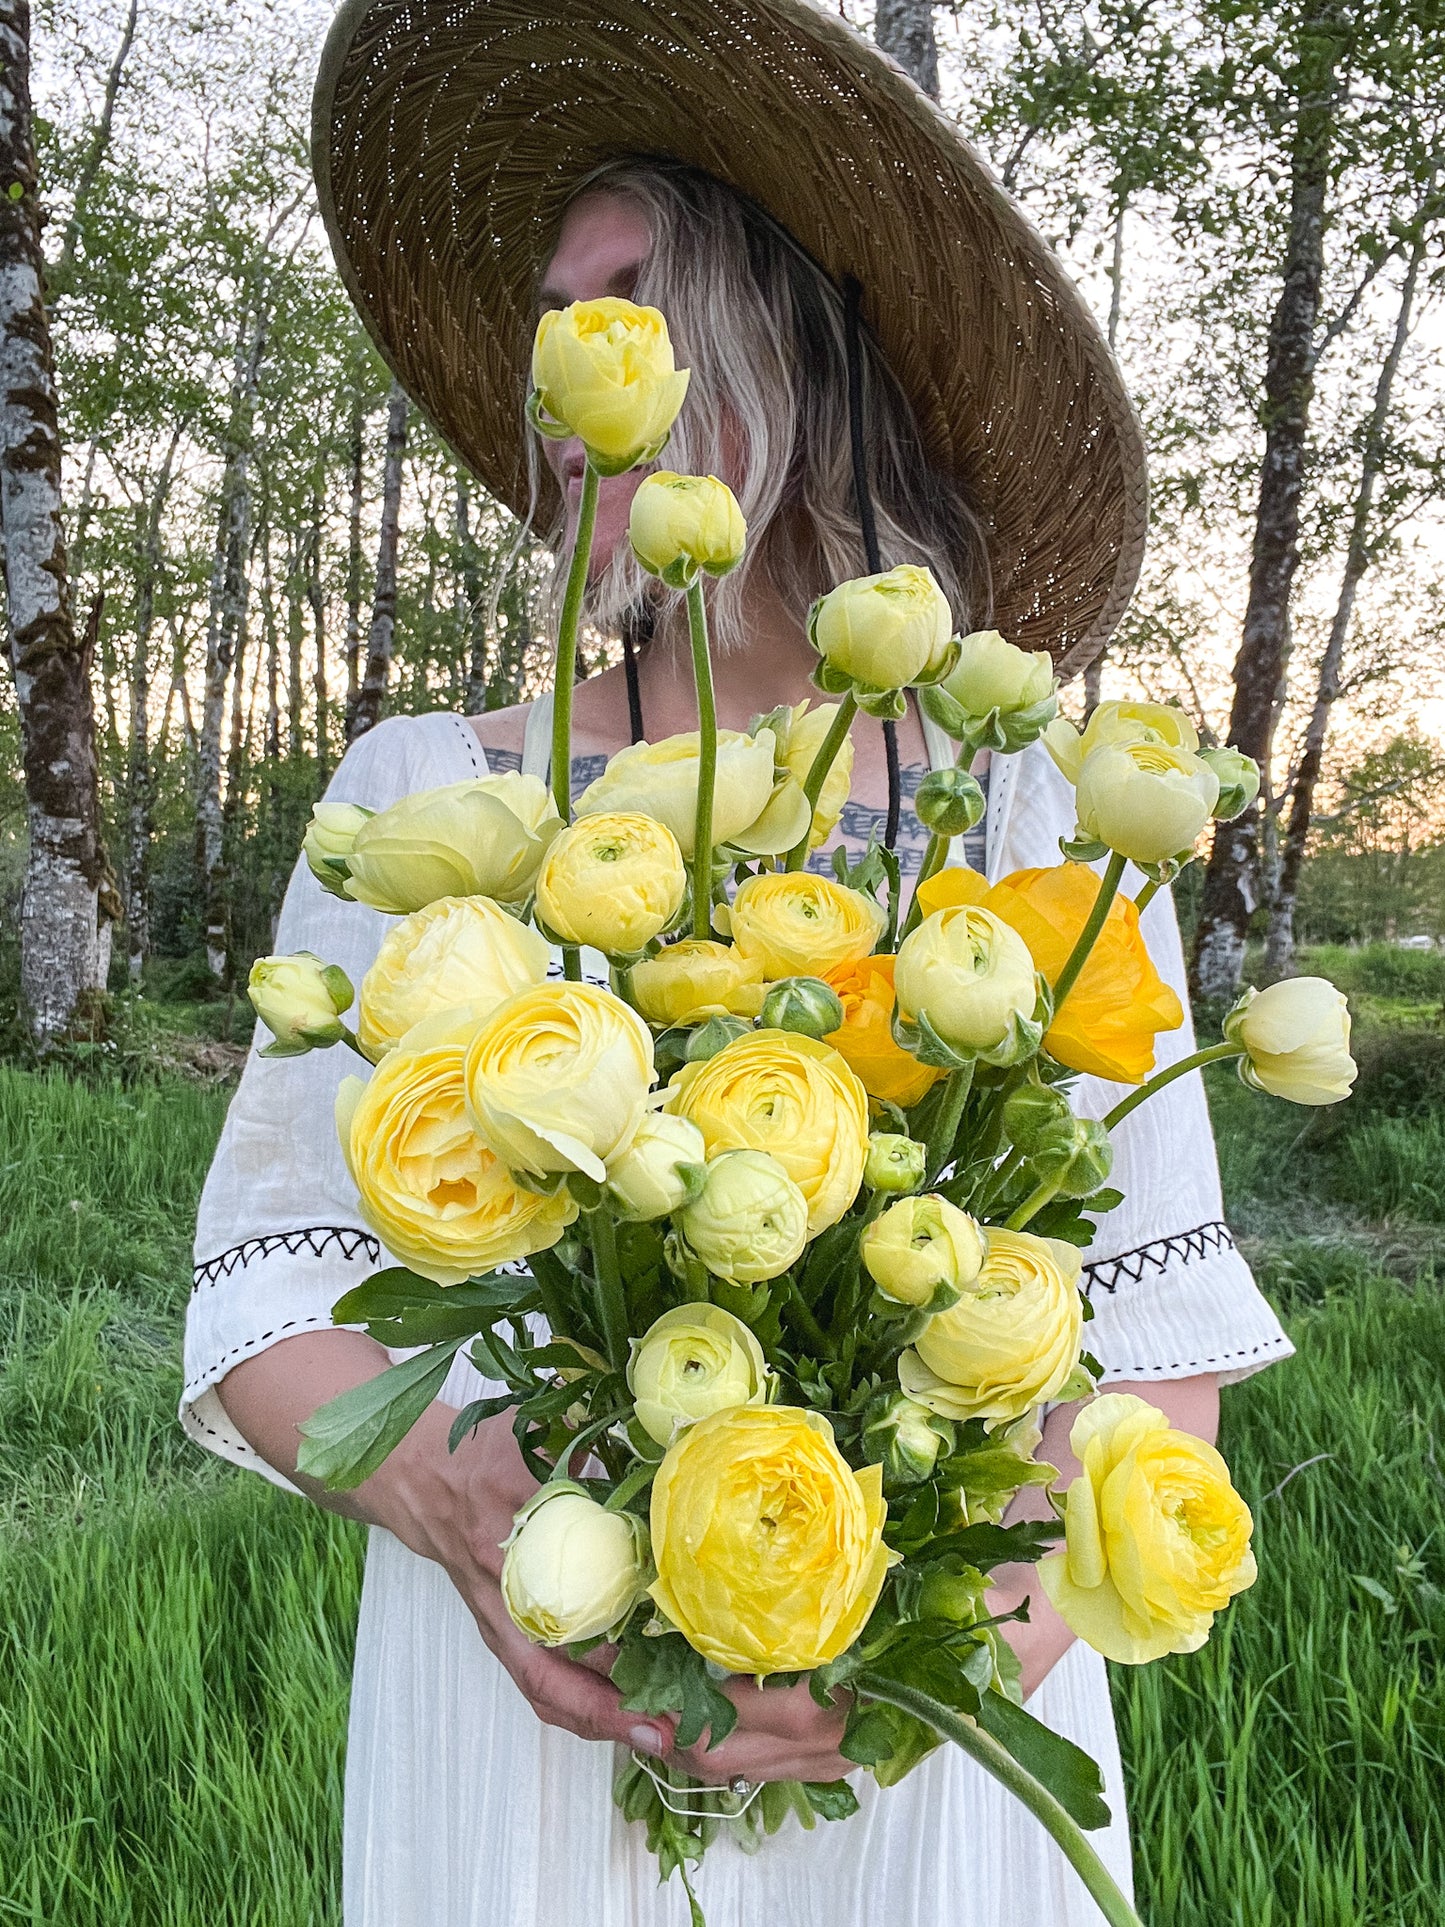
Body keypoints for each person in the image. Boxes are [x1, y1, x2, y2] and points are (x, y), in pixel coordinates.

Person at [185, 5, 1293, 1921]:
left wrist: (986, 1633)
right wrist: (468, 1504)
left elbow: (1158, 1336)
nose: (558, 370)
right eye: (553, 318)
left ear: (789, 341)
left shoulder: (1033, 811)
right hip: (534, 1693)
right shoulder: (434, 799)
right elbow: (265, 1279)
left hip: (917, 1709)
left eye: (630, 299)